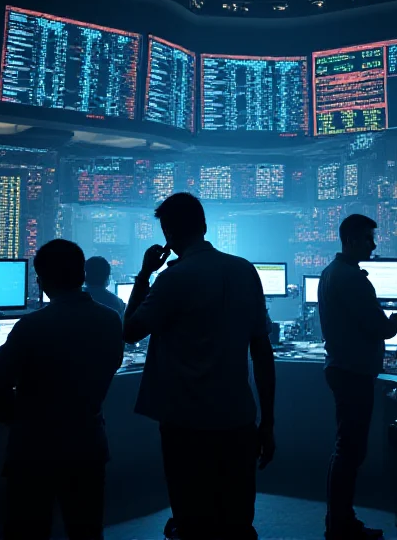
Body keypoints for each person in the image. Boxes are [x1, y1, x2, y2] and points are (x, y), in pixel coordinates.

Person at [123, 192, 275, 540]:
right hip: (238, 419)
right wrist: (267, 421)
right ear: (205, 226)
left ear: (168, 236)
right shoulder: (244, 270)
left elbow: (130, 331)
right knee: (237, 520)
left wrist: (144, 274)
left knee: (193, 519)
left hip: (185, 422)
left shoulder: (173, 278)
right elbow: (262, 351)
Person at [0, 239, 124, 540]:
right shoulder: (111, 320)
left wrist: (16, 416)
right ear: (82, 275)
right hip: (89, 441)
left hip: (34, 446)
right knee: (86, 528)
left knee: (28, 528)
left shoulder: (32, 325)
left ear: (41, 281)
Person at [319, 214, 397, 540]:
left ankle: (339, 521)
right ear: (353, 240)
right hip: (355, 370)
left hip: (341, 366)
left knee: (346, 448)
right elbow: (379, 328)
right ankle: (341, 525)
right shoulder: (353, 279)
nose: (373, 245)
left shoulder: (331, 273)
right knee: (350, 451)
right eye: (369, 239)